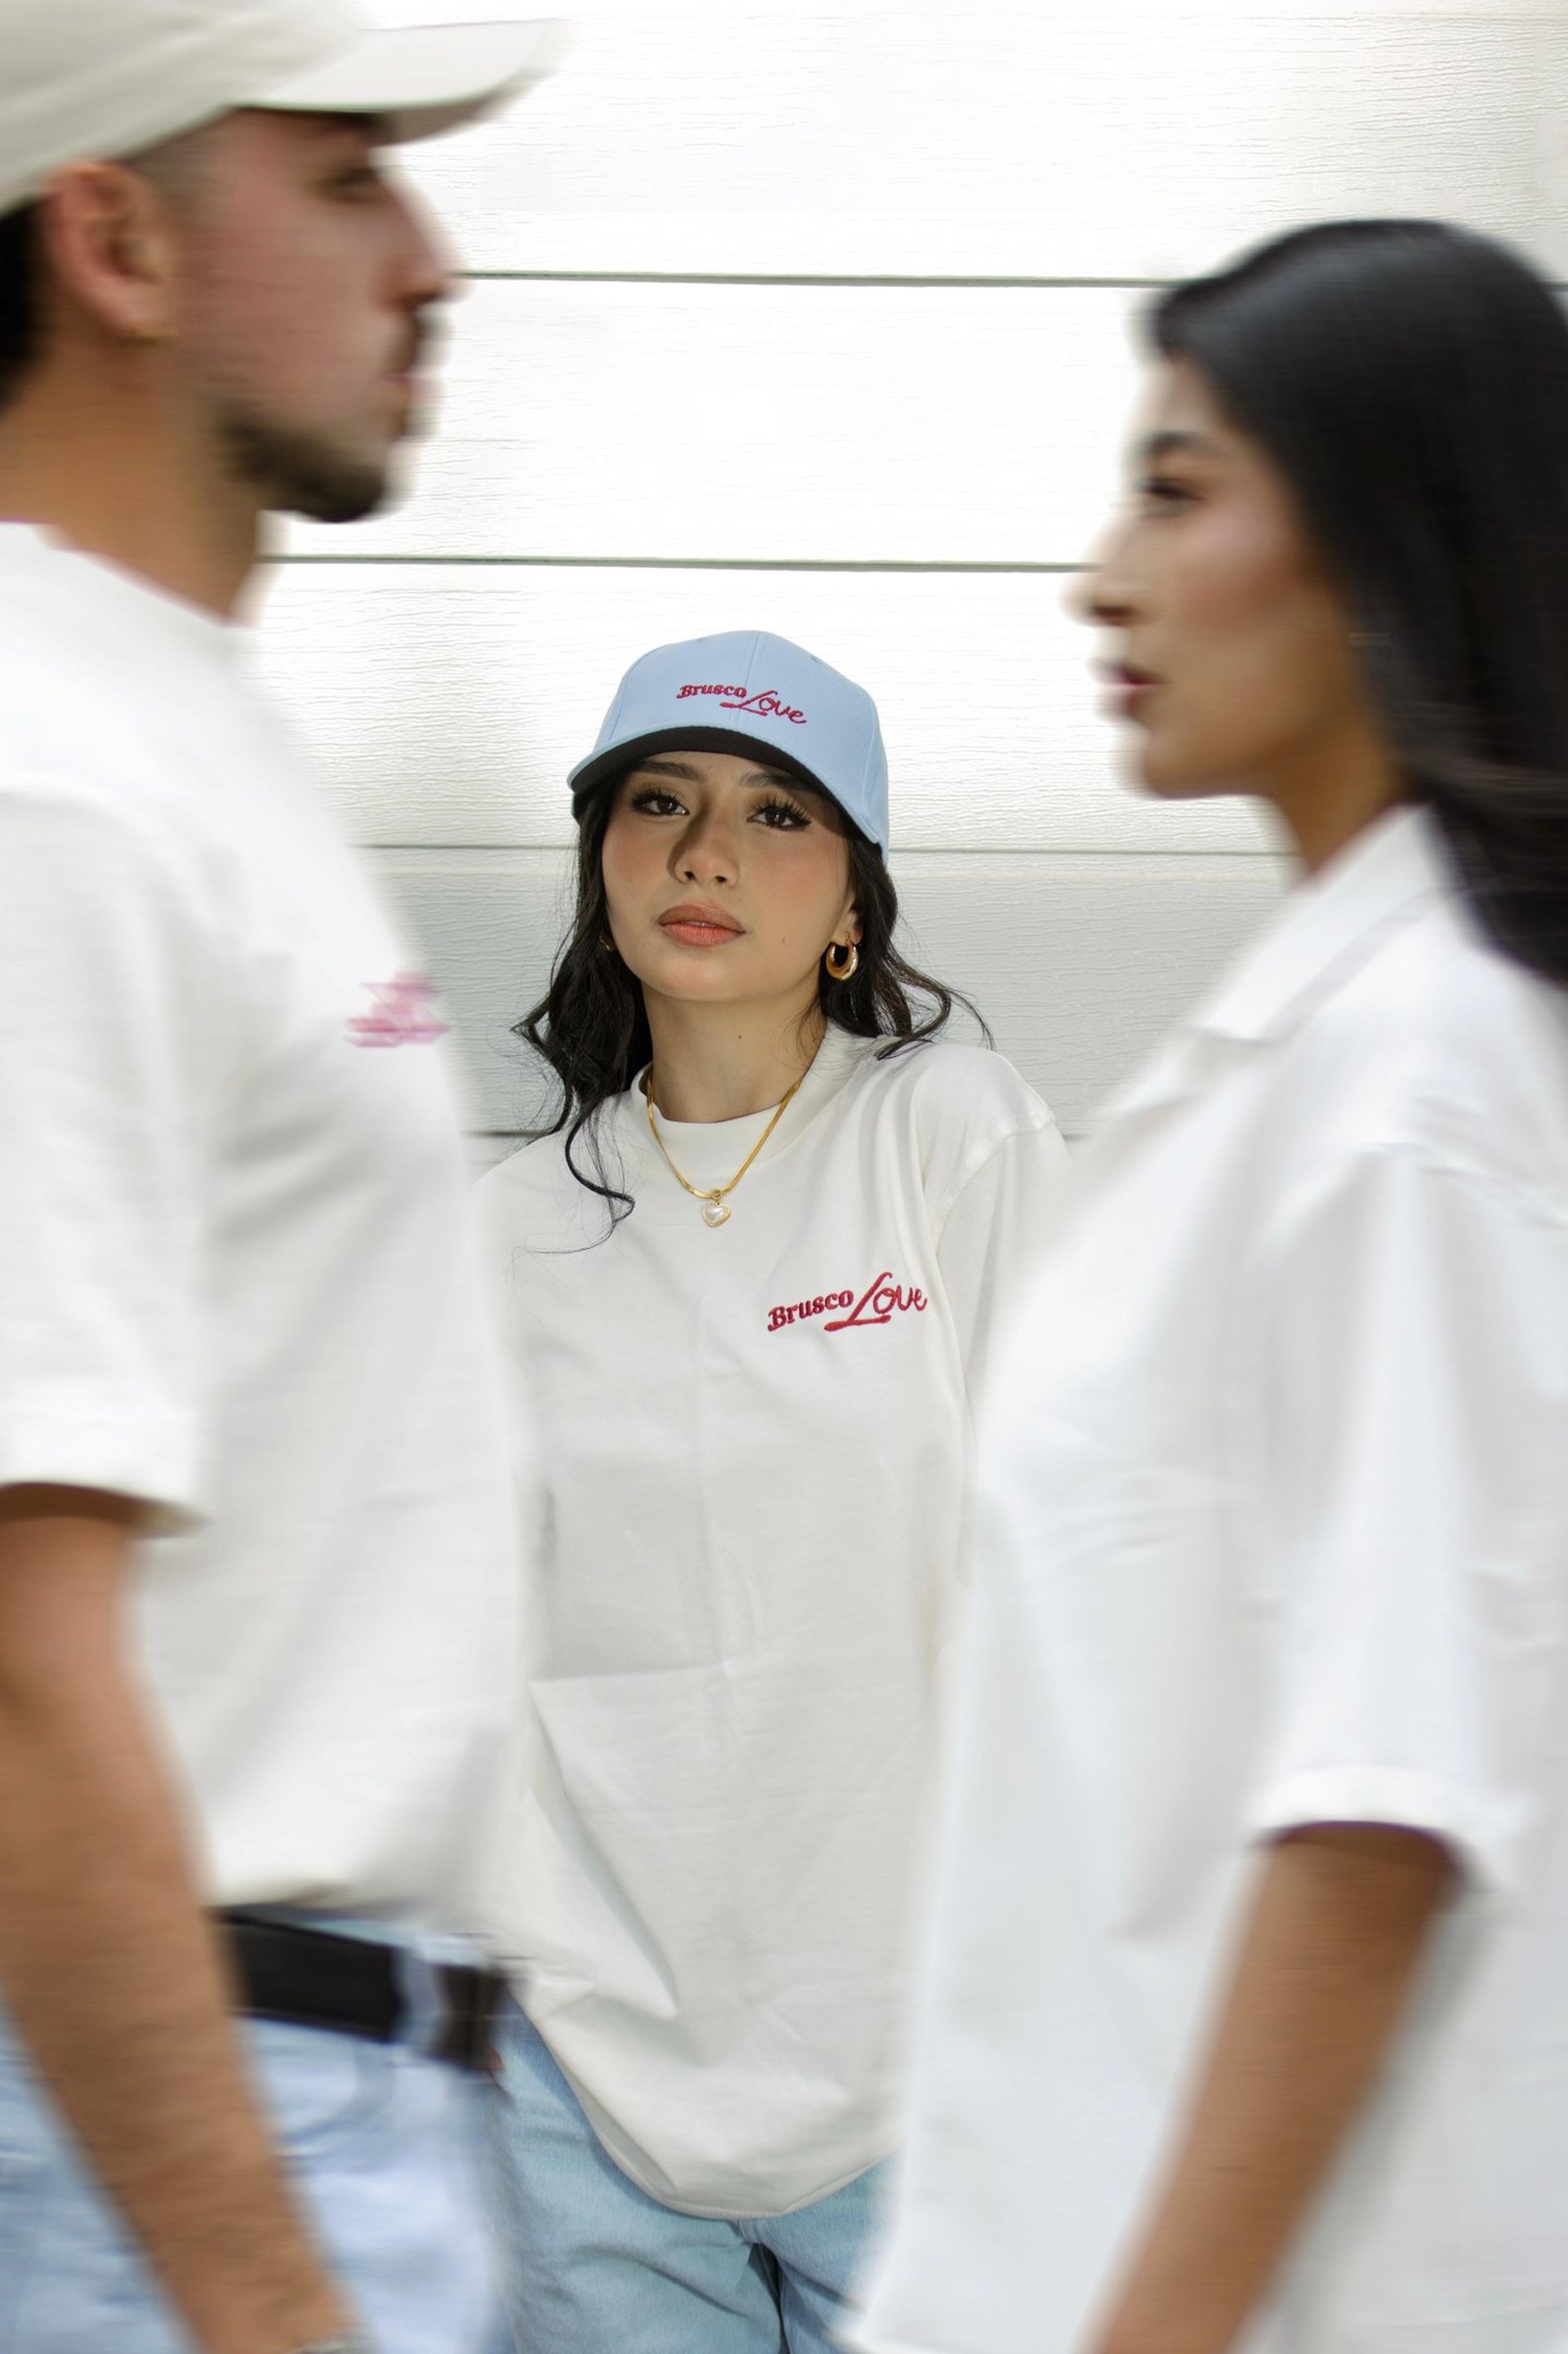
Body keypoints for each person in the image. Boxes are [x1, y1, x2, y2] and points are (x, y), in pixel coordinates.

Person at [852, 219, 1568, 2354]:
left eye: (1177, 488)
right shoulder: (1321, 1055)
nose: (1101, 578)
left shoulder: (1419, 1075)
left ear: (1386, 530)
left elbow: (1381, 1814)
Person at [0, 5, 564, 2351]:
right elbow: (22, 1656)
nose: (430, 259)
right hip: (193, 2150)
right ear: (114, 235)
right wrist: (258, 2296)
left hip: (350, 2111)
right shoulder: (47, 780)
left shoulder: (173, 739)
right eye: (346, 176)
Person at [474, 629, 1068, 2352]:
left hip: (922, 2058)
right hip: (588, 2065)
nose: (706, 852)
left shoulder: (951, 1136)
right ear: (601, 865)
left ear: (852, 901)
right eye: (657, 802)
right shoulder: (505, 1235)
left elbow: (1083, 1571)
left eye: (774, 812)